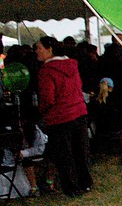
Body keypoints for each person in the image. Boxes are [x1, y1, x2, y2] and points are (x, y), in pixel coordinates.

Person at [35, 36, 93, 196]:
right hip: (79, 112)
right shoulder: (72, 65)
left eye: (39, 48)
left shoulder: (46, 71)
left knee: (65, 154)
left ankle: (72, 187)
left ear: (49, 49)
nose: (36, 51)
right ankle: (85, 182)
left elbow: (48, 98)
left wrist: (42, 111)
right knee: (80, 151)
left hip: (60, 117)